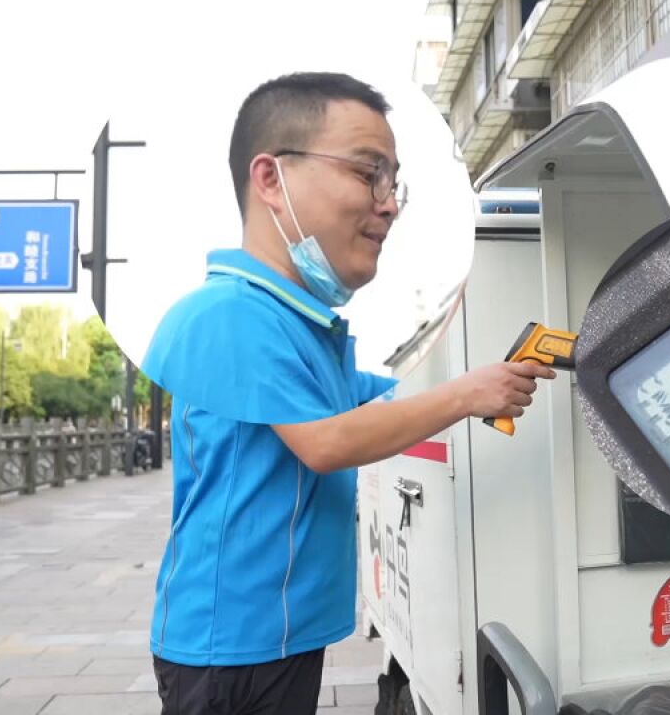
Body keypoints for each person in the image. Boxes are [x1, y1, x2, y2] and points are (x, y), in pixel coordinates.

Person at [141, 71, 555, 715]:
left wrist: (490, 373)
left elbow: (380, 397)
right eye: (369, 173)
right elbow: (328, 442)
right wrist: (469, 395)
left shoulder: (297, 324)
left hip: (275, 633)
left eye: (393, 182)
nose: (388, 203)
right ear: (271, 179)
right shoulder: (231, 313)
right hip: (230, 645)